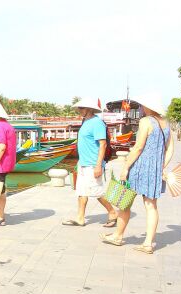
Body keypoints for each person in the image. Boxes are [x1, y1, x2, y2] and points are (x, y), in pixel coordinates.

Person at [100, 95, 174, 254]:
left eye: (143, 105)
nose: (141, 108)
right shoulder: (166, 124)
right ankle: (148, 243)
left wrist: (126, 167)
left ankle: (118, 236)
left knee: (125, 202)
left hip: (139, 167)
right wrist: (160, 167)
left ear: (148, 107)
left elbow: (139, 148)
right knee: (151, 206)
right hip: (154, 171)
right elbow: (170, 150)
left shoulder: (146, 121)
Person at [62, 98, 117, 227]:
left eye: (81, 108)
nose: (79, 110)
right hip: (83, 163)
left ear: (89, 109)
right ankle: (80, 218)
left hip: (93, 163)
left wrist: (98, 165)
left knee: (97, 192)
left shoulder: (97, 123)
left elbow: (102, 144)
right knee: (81, 191)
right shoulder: (85, 121)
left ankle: (112, 212)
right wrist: (79, 162)